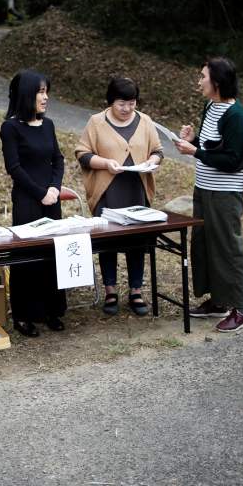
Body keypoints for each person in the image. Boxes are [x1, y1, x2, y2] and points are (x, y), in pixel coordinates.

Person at [175, 58, 243, 333]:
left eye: (203, 77)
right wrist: (193, 140)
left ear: (217, 82)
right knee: (204, 244)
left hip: (225, 193)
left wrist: (195, 151)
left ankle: (241, 310)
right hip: (203, 187)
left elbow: (232, 159)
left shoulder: (236, 115)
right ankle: (219, 301)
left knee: (227, 248)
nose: (199, 81)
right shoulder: (210, 106)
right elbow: (212, 146)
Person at [74, 77, 164, 316]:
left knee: (137, 240)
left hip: (136, 190)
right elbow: (82, 154)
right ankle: (110, 290)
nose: (127, 109)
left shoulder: (145, 121)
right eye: (121, 104)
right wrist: (106, 163)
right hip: (108, 191)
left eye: (132, 103)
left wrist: (152, 161)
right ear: (111, 101)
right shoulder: (96, 122)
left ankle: (136, 290)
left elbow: (157, 151)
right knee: (108, 241)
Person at [0, 70, 66, 337]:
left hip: (51, 198)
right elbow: (14, 167)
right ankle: (24, 315)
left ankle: (52, 311)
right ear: (27, 94)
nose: (45, 97)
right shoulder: (11, 128)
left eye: (46, 91)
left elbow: (58, 159)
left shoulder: (48, 125)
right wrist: (40, 193)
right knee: (27, 257)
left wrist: (55, 188)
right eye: (40, 92)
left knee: (52, 253)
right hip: (28, 200)